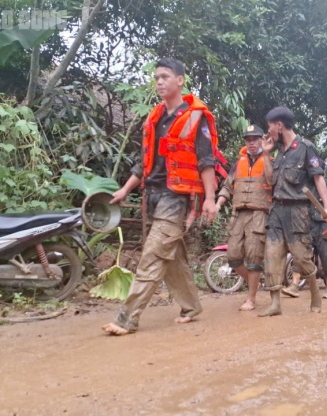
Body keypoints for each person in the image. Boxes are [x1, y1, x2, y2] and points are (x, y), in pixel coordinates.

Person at [102, 58, 220, 335]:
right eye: (157, 77)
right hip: (152, 196)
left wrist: (211, 200)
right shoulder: (155, 118)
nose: (159, 81)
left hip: (176, 198)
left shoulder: (196, 116)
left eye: (165, 76)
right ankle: (191, 306)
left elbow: (206, 162)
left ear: (180, 81)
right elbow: (144, 162)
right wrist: (124, 190)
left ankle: (126, 319)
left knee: (153, 256)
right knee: (172, 256)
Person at [259, 106, 327, 317]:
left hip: (297, 211)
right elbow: (268, 180)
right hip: (277, 211)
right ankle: (275, 304)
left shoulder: (305, 148)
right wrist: (265, 154)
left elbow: (318, 178)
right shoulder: (279, 151)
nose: (269, 132)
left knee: (301, 257)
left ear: (279, 125)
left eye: (270, 127)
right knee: (271, 255)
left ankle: (315, 293)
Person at [215, 124, 271, 311]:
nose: (251, 143)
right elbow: (228, 186)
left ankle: (251, 298)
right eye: (248, 140)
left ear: (262, 140)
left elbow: (273, 183)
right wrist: (218, 204)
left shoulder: (270, 160)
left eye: (255, 139)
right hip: (238, 213)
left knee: (254, 257)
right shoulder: (239, 163)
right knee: (233, 257)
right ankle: (256, 283)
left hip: (259, 214)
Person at [282, 176, 327, 299]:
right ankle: (294, 285)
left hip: (324, 225)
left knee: (326, 255)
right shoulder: (303, 185)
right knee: (300, 253)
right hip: (306, 223)